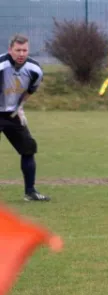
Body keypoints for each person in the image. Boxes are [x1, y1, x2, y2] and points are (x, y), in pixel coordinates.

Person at [0, 34, 50, 201]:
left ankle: (30, 192)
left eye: (25, 50)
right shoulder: (1, 65)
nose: (21, 53)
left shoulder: (35, 70)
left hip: (12, 114)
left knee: (28, 148)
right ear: (10, 50)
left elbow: (30, 90)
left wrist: (20, 107)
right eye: (18, 50)